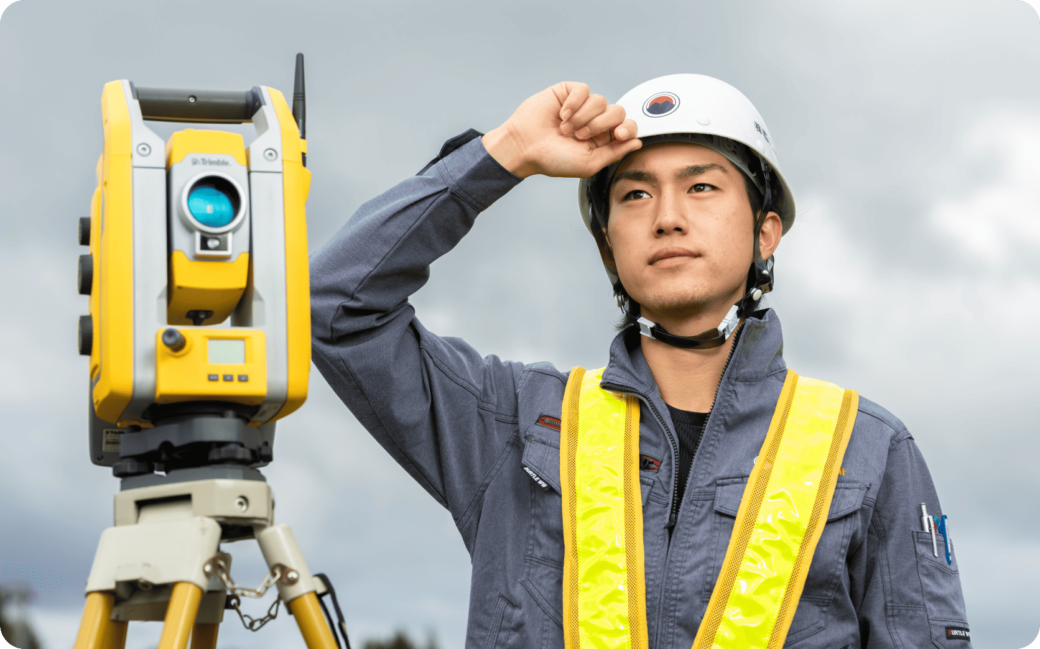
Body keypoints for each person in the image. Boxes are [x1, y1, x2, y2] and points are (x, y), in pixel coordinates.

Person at [310, 75, 971, 648]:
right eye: (635, 195)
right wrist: (506, 151)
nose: (668, 218)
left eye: (703, 186)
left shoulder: (869, 448)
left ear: (765, 233)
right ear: (607, 248)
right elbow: (335, 304)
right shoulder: (513, 419)